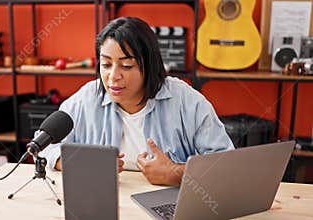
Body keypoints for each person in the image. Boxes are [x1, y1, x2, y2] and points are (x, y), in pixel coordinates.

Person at [39, 17, 234, 186]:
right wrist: (78, 163)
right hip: (105, 203)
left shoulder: (185, 100)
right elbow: (42, 147)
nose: (113, 76)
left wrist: (176, 173)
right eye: (106, 65)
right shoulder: (87, 98)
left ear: (150, 66)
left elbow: (226, 166)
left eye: (126, 65)